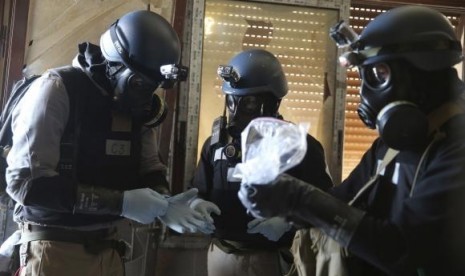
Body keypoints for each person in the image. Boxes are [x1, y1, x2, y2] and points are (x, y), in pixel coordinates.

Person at [238, 5, 465, 276]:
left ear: (422, 71)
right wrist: (283, 205)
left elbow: (404, 251)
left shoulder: (455, 149)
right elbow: (345, 200)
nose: (366, 95)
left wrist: (300, 199)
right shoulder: (396, 143)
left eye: (379, 75)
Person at [5, 10, 214, 276]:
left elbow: (149, 168)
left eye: (153, 87)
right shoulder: (57, 90)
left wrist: (168, 203)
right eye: (139, 83)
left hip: (110, 250)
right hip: (55, 250)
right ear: (115, 64)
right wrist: (121, 203)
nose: (145, 96)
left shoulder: (131, 104)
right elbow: (25, 183)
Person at [190, 49, 333, 276]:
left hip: (272, 259)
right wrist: (195, 206)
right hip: (221, 256)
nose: (236, 112)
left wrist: (288, 224)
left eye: (249, 103)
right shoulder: (216, 146)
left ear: (273, 102)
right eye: (232, 101)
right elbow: (198, 191)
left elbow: (326, 209)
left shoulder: (300, 148)